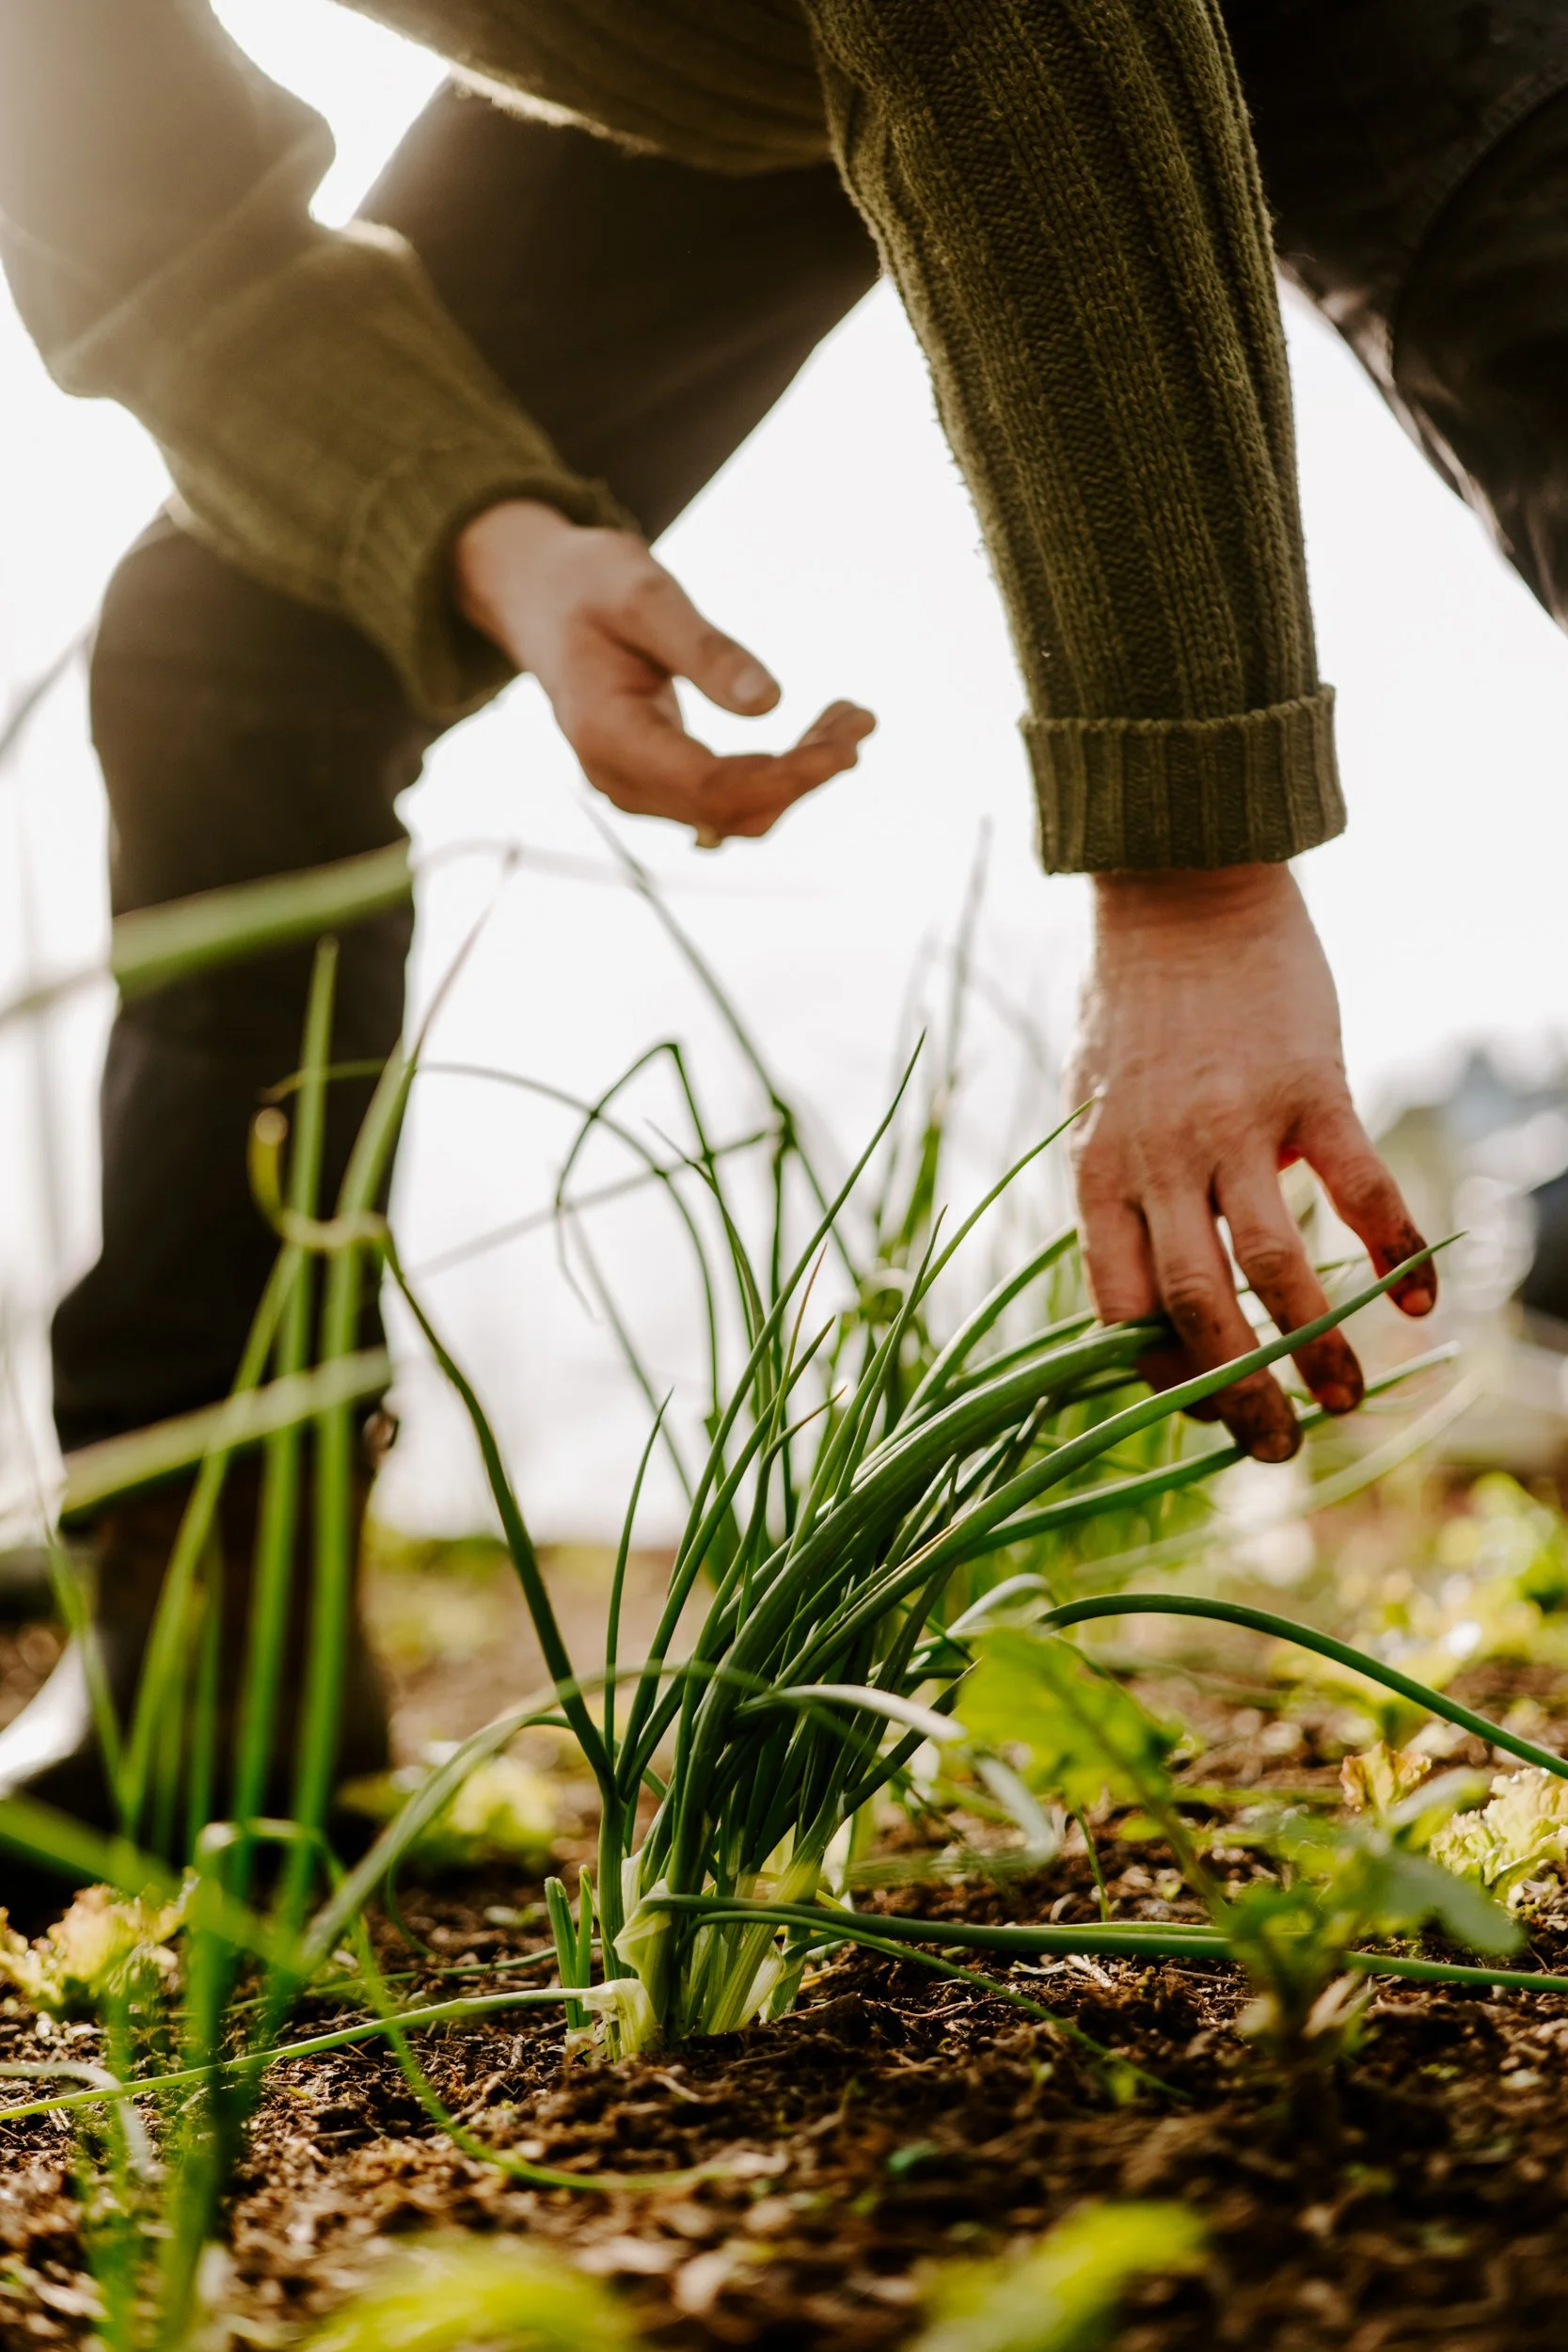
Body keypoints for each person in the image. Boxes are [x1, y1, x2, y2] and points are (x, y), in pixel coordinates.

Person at [8, 0, 1564, 1825]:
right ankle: (209, 1647)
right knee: (244, 638)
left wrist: (1194, 871)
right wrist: (477, 521)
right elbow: (113, 149)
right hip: (728, 43)